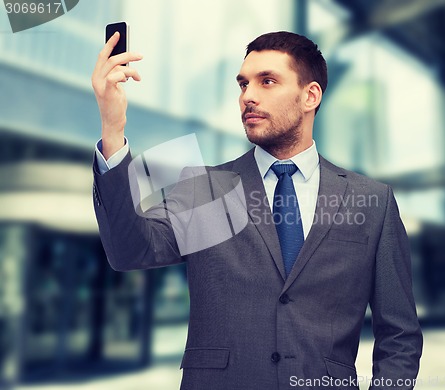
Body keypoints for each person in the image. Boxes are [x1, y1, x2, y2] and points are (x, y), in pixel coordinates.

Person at [91, 31, 422, 389]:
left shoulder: (371, 200)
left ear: (310, 95)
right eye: (243, 84)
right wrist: (113, 129)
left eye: (267, 81)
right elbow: (130, 250)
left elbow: (399, 335)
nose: (248, 96)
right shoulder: (206, 188)